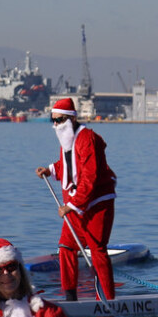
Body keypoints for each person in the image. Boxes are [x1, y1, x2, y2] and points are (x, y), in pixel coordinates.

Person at [36, 97, 118, 301]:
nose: (56, 125)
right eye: (52, 120)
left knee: (97, 251)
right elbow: (68, 164)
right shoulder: (67, 139)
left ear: (71, 119)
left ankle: (107, 299)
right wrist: (50, 170)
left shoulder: (87, 138)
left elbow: (90, 176)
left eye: (59, 120)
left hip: (97, 203)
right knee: (65, 247)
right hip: (76, 205)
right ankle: (71, 299)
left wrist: (71, 206)